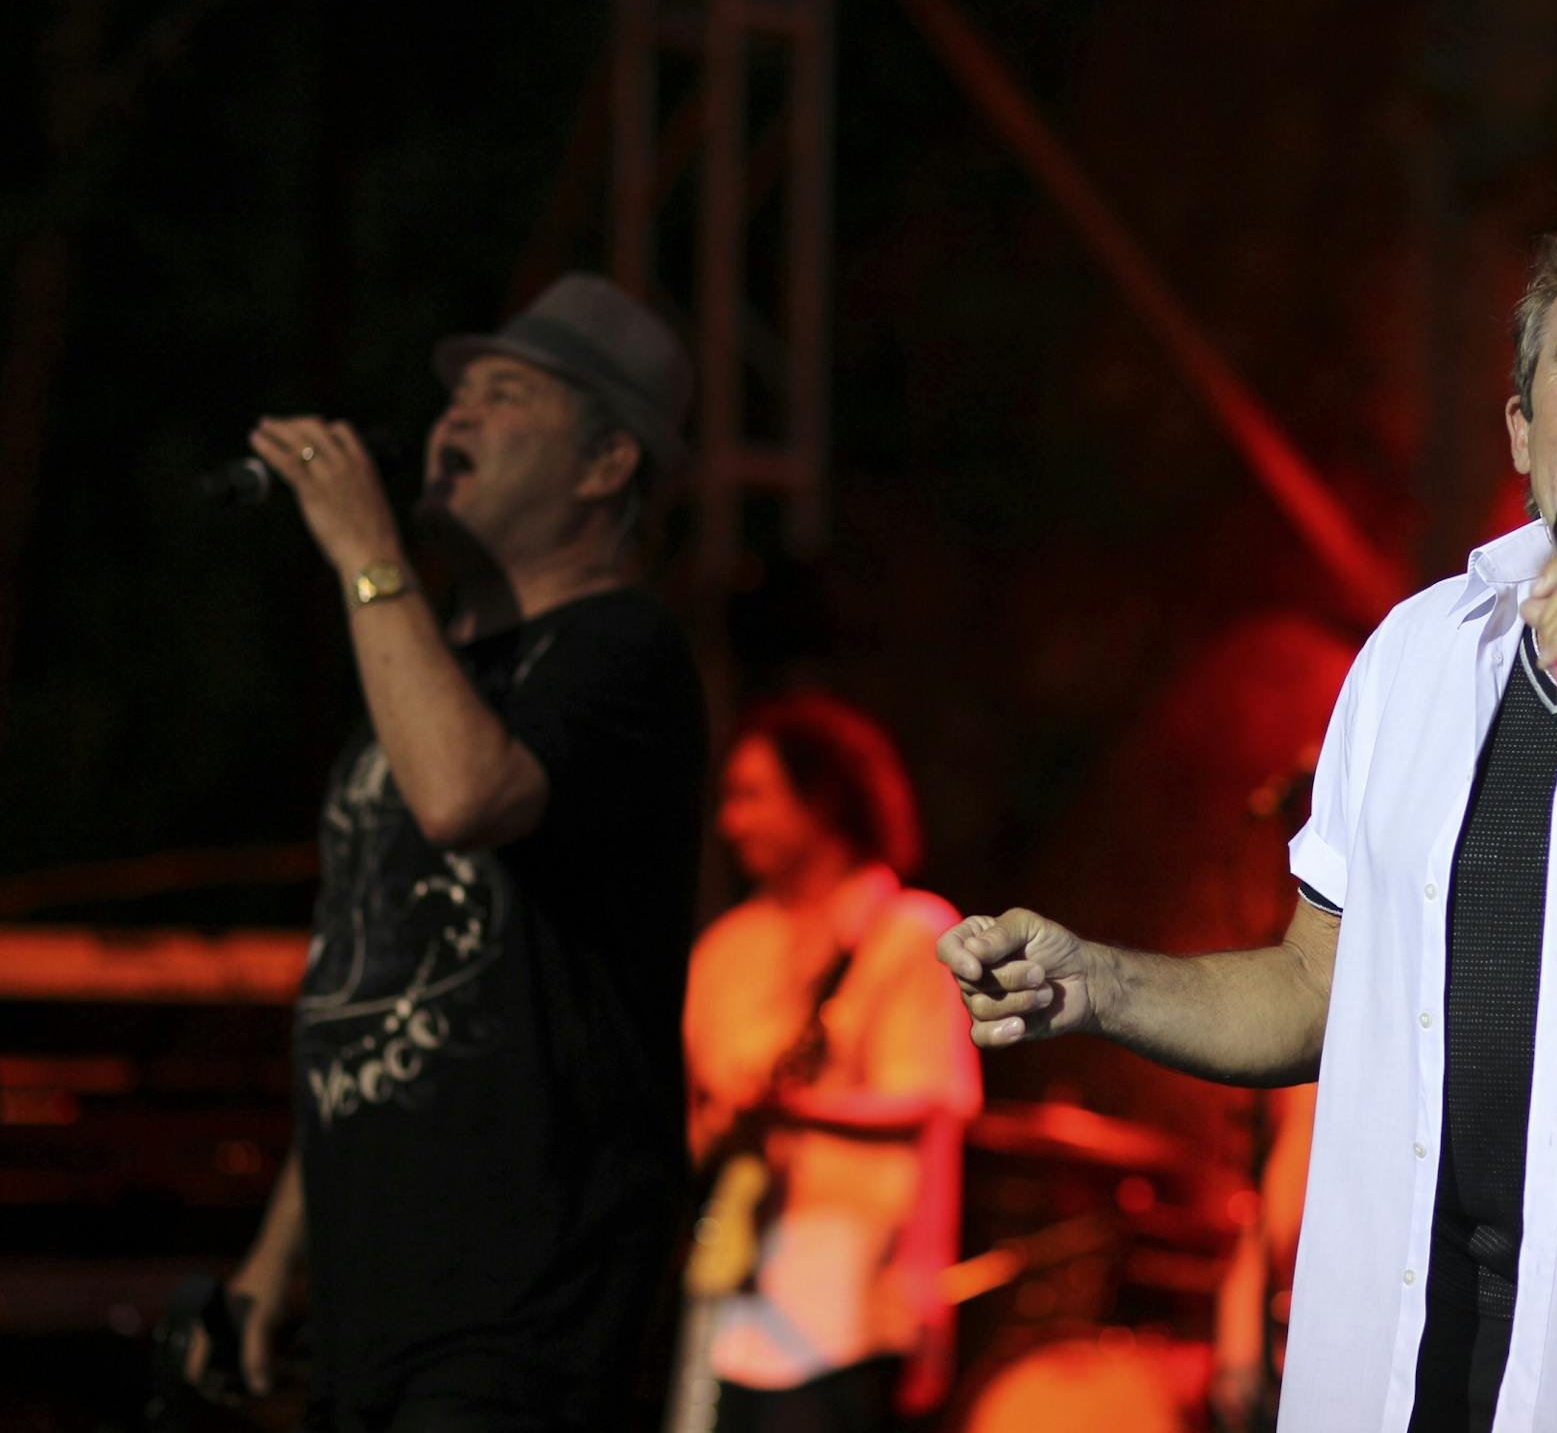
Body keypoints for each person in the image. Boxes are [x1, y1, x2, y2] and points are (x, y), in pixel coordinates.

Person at [939, 202, 1557, 1433]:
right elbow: (1321, 990)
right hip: (1396, 1380)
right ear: (1525, 428)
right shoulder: (1413, 655)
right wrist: (1097, 986)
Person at [195, 274, 709, 1431]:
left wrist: (369, 553)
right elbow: (362, 992)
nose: (453, 420)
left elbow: (467, 795)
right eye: (455, 396)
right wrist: (272, 1265)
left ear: (606, 465)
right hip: (371, 1300)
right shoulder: (423, 671)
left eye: (505, 394)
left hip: (525, 1293)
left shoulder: (621, 651)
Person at [681, 693, 982, 1433]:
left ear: (820, 801)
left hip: (844, 1311)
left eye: (752, 795)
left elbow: (930, 1111)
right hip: (723, 1296)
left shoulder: (908, 931)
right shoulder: (725, 948)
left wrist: (926, 1299)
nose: (731, 823)